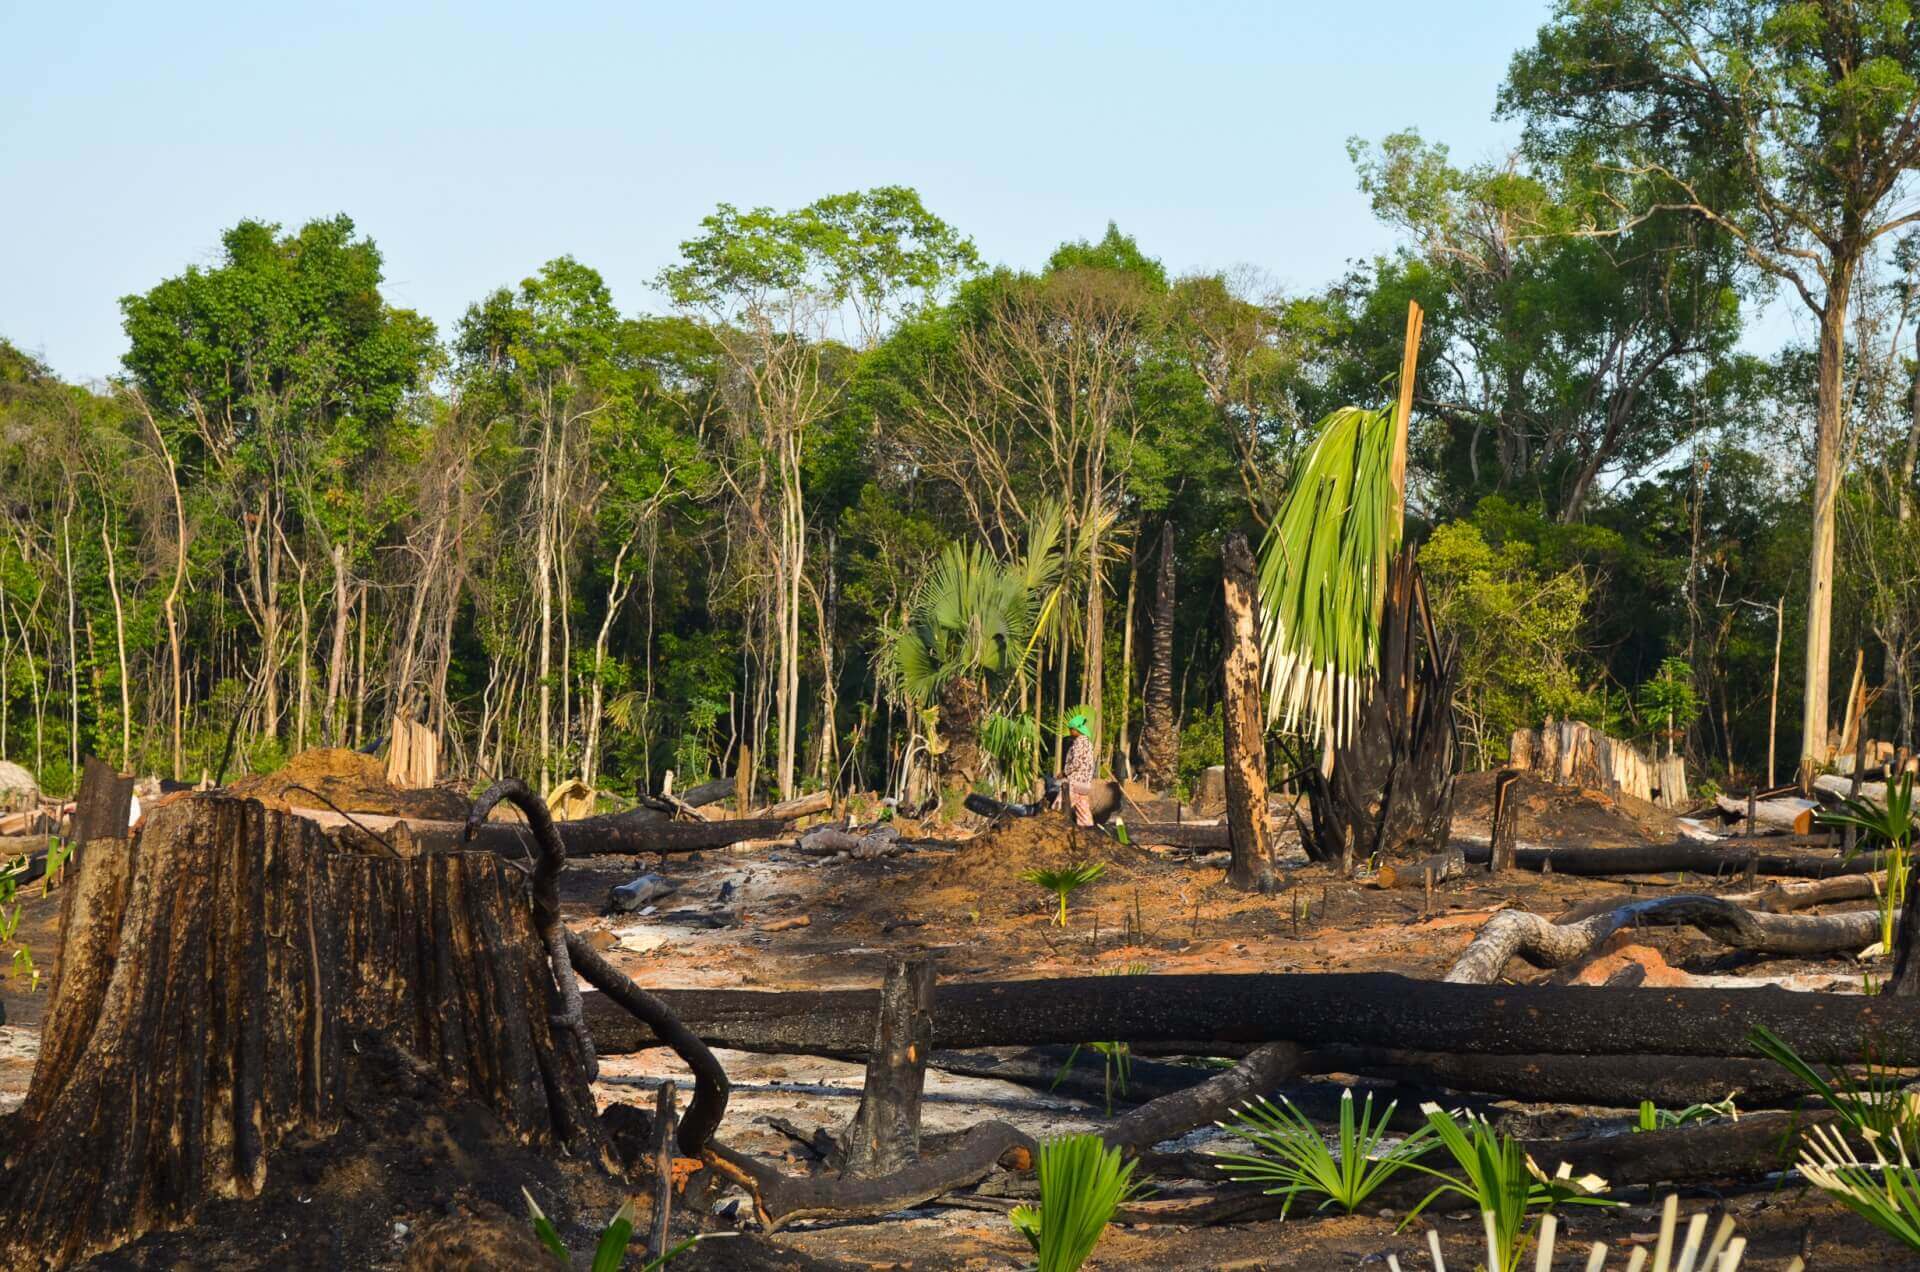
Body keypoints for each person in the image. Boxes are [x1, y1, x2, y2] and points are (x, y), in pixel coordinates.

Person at [1061, 711, 1095, 828]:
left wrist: (1064, 772)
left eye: (1071, 729)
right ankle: (1088, 832)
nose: (1070, 732)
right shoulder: (1088, 743)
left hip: (1075, 781)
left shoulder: (1079, 743)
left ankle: (1055, 827)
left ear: (1077, 730)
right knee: (1083, 809)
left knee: (1059, 804)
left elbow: (1076, 762)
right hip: (1085, 782)